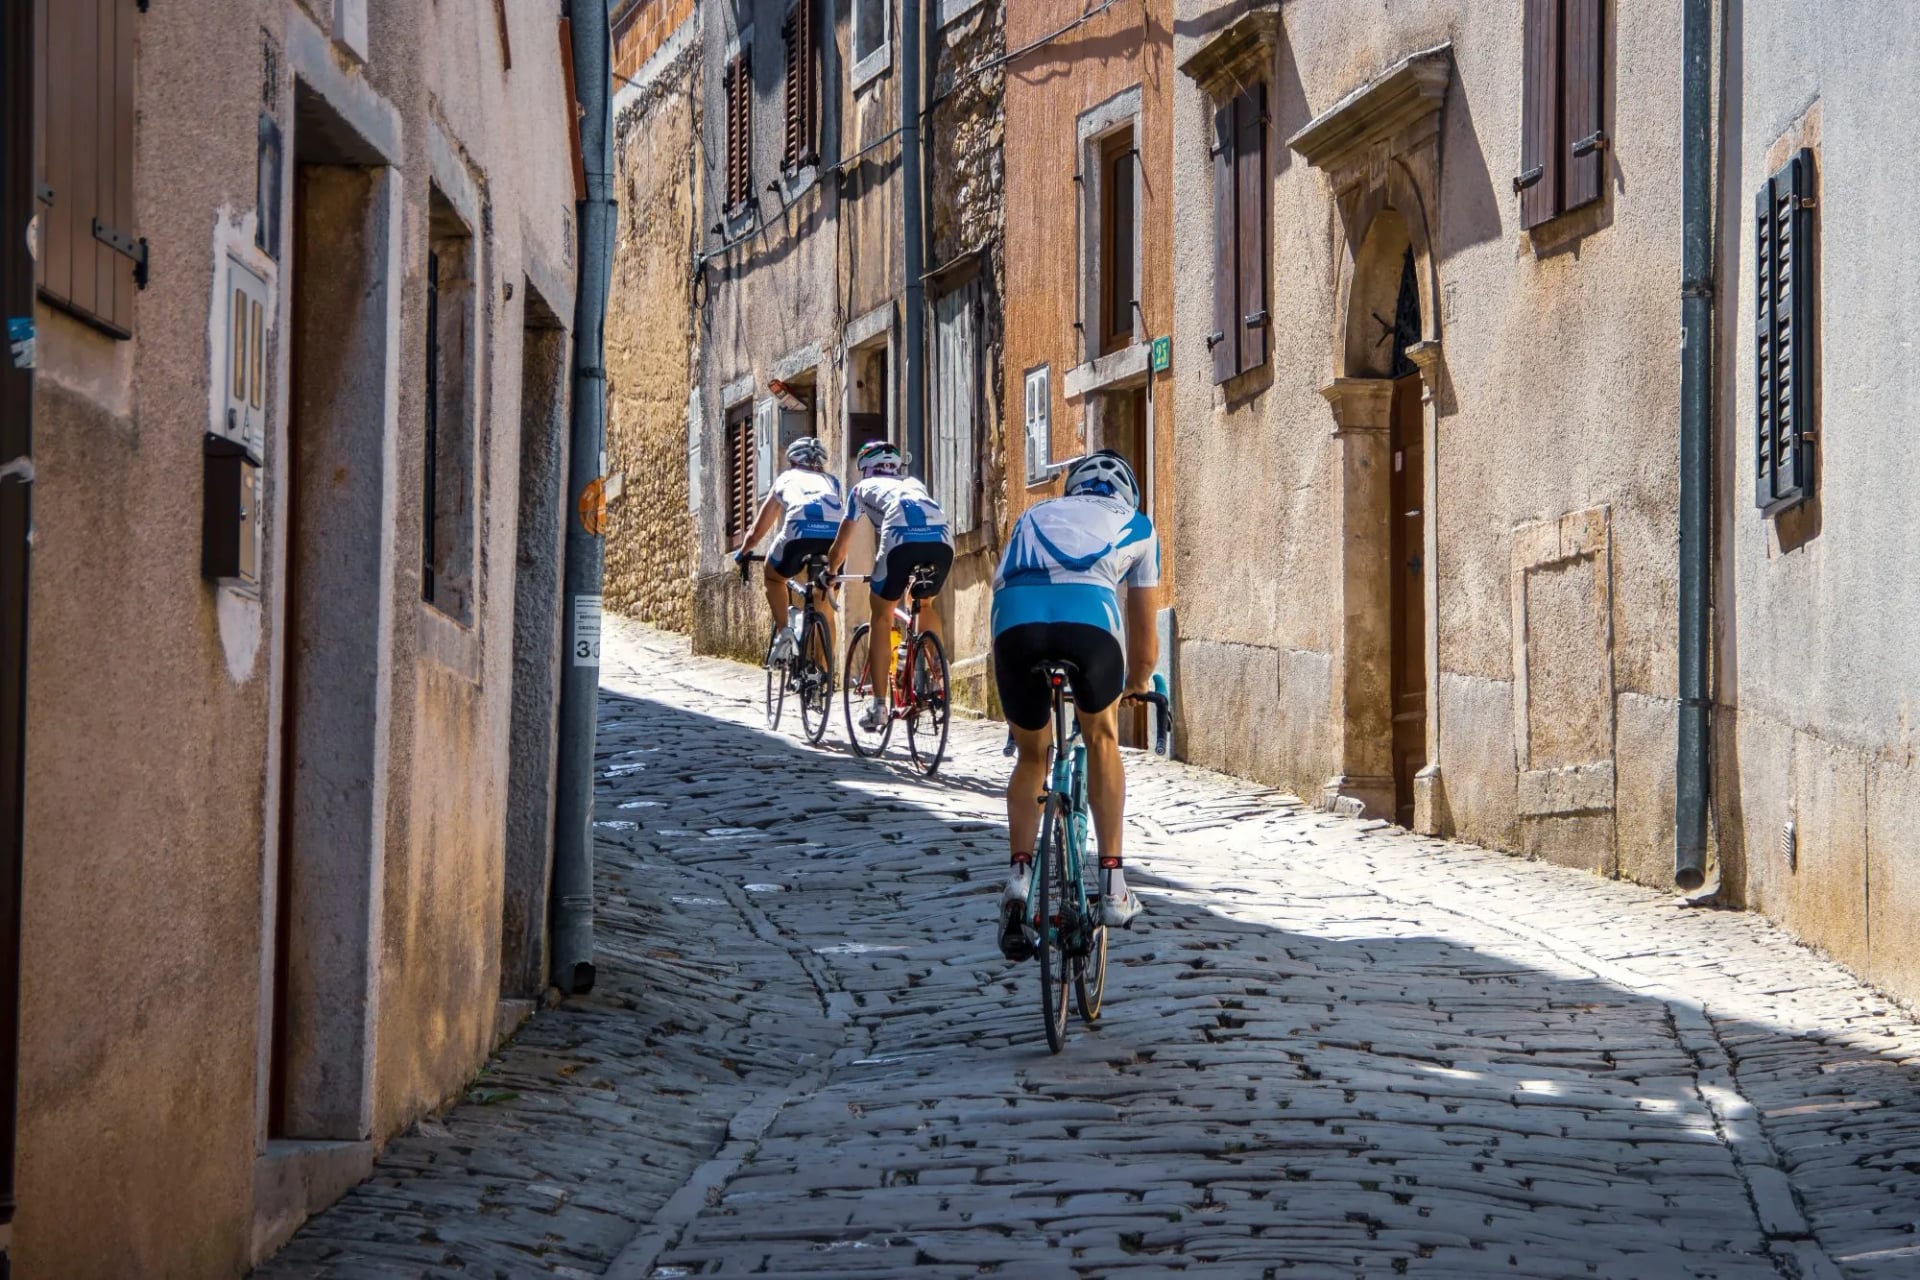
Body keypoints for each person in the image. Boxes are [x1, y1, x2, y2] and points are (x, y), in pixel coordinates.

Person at [990, 449, 1159, 960]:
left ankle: (1020, 879)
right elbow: (1146, 642)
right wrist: (1136, 681)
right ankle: (1112, 885)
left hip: (1016, 625)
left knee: (1030, 755)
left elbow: (1004, 585)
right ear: (1125, 493)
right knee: (1101, 736)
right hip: (1089, 622)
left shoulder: (1031, 514)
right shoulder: (1137, 523)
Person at [827, 441, 955, 731]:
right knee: (924, 604)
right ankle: (938, 677)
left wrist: (831, 572)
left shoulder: (860, 491)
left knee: (881, 615)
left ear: (864, 469)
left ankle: (879, 707)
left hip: (899, 538)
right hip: (942, 539)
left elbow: (841, 545)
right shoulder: (913, 483)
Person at [734, 436, 843, 663]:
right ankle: (822, 674)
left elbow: (757, 531)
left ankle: (784, 632)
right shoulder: (833, 482)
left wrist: (743, 551)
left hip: (799, 534)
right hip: (834, 540)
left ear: (793, 462)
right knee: (825, 611)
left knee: (773, 577)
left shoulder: (786, 478)